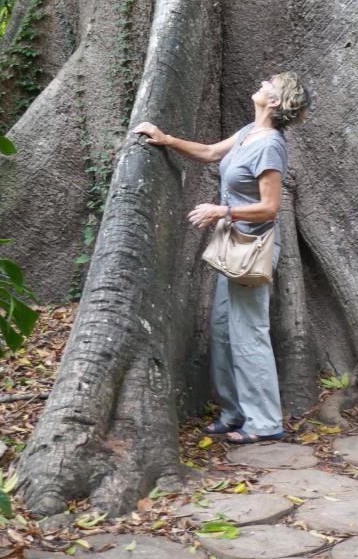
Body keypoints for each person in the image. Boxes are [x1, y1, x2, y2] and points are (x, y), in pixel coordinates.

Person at [133, 71, 311, 444]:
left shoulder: (271, 146)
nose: (263, 82)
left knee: (249, 332)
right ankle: (234, 412)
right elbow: (212, 153)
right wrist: (166, 140)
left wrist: (222, 211)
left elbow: (271, 207)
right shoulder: (249, 132)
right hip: (232, 246)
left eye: (270, 83)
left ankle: (264, 422)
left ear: (274, 102)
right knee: (223, 328)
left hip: (252, 249)